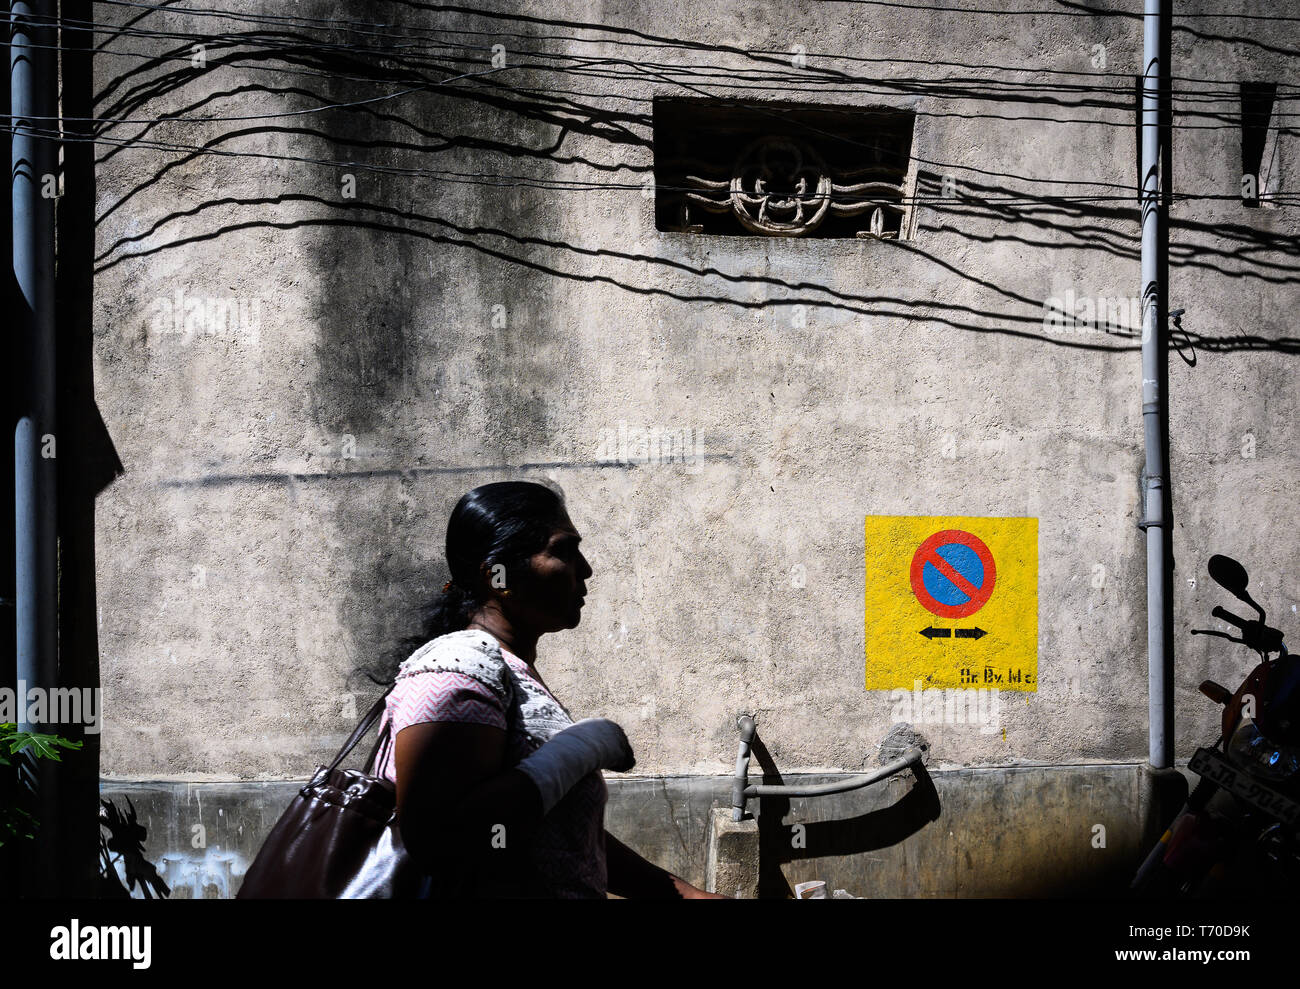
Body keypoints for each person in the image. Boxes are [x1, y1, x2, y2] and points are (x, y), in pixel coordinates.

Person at [373, 480, 727, 898]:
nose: (586, 568)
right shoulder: (459, 667)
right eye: (563, 549)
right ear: (498, 576)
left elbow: (558, 836)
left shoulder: (506, 669)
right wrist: (575, 751)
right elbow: (443, 840)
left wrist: (682, 894)